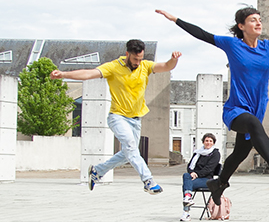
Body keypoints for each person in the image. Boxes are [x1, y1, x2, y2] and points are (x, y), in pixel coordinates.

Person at [156, 4, 269, 206]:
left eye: (259, 19)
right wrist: (175, 19)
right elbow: (202, 34)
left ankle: (219, 183)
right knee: (251, 123)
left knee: (240, 153)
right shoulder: (232, 45)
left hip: (257, 110)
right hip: (235, 110)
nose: (258, 23)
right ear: (241, 26)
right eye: (252, 20)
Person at [50, 39, 181, 194]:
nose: (138, 63)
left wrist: (173, 60)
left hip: (136, 119)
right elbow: (88, 74)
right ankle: (148, 181)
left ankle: (97, 171)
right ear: (127, 54)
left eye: (140, 59)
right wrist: (63, 74)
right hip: (118, 117)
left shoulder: (145, 66)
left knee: (128, 154)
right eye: (135, 59)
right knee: (131, 147)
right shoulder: (113, 67)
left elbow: (166, 66)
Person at [180, 133, 221, 221]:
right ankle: (188, 197)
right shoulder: (197, 153)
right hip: (195, 178)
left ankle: (186, 212)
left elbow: (209, 168)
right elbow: (189, 166)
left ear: (213, 143)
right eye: (206, 141)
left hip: (207, 179)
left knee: (187, 185)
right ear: (203, 142)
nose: (208, 143)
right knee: (186, 176)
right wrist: (191, 173)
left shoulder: (215, 153)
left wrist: (196, 174)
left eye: (210, 141)